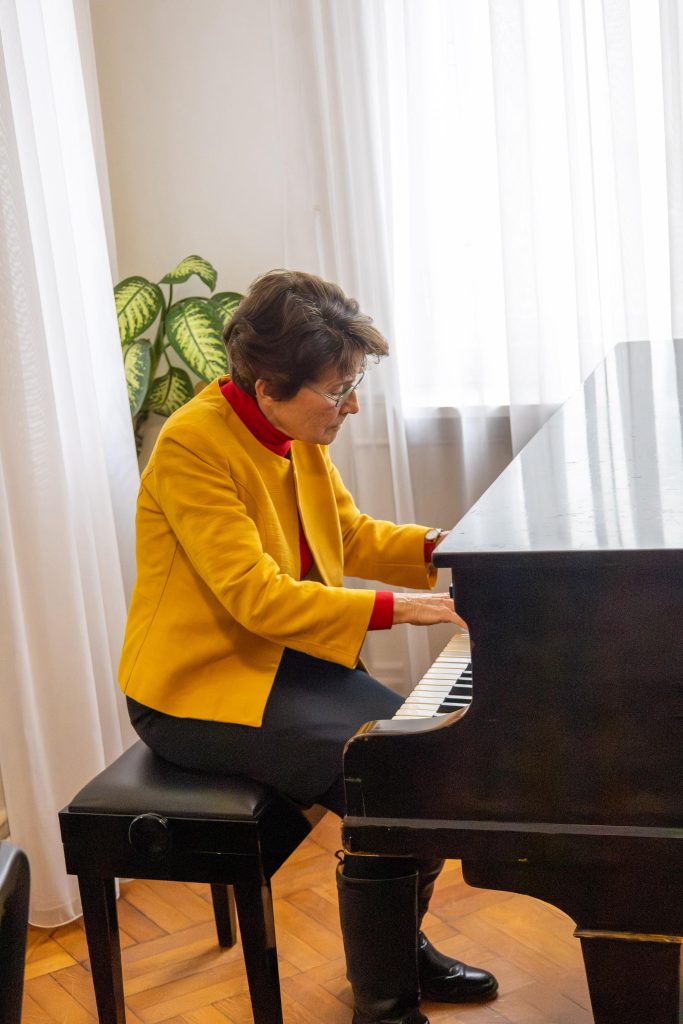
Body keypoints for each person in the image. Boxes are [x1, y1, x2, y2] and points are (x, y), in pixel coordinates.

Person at [119, 269, 498, 1024]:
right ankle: (384, 1006)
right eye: (337, 390)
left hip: (285, 667)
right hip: (201, 689)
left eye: (354, 384)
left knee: (425, 760)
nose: (350, 405)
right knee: (392, 778)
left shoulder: (295, 430)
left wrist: (458, 548)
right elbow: (256, 598)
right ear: (268, 387)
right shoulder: (191, 446)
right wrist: (412, 609)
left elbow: (348, 534)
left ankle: (397, 954)